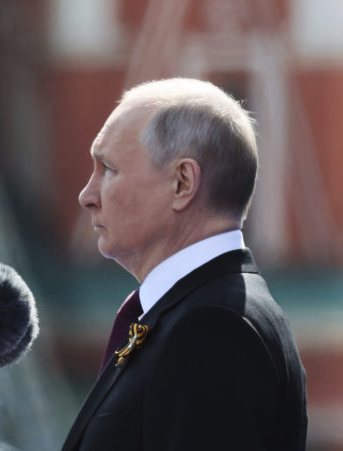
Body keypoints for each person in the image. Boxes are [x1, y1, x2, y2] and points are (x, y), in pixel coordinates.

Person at [62, 78, 307, 451]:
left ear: (182, 182)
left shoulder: (213, 328)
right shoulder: (196, 314)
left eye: (108, 169)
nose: (87, 195)